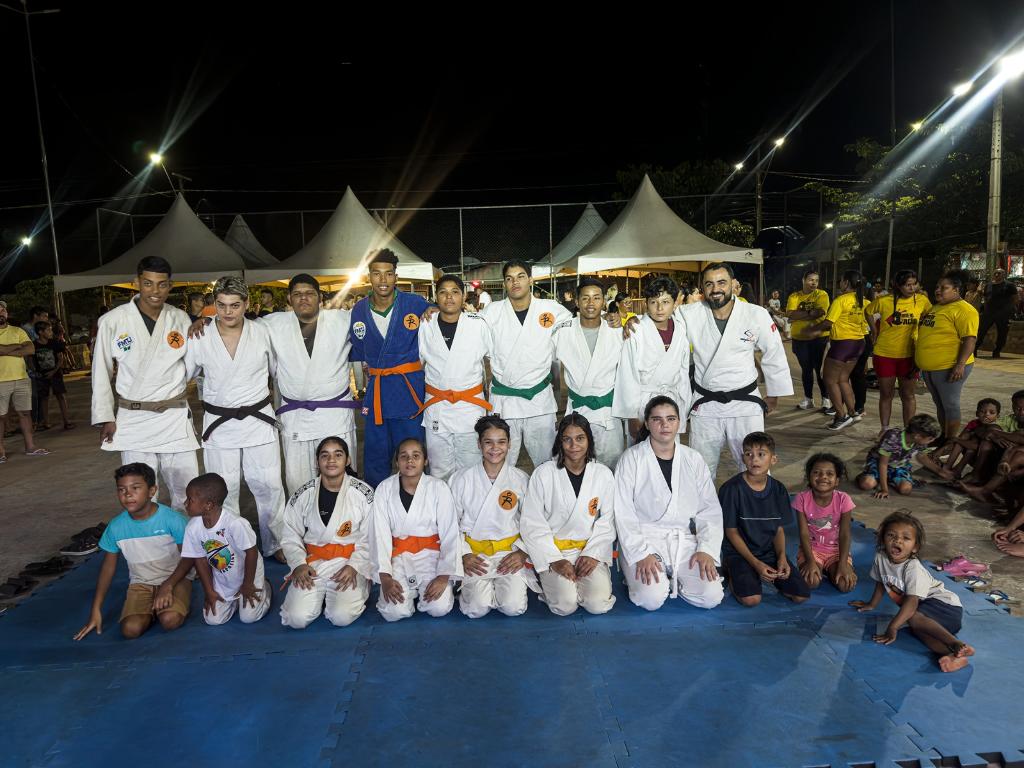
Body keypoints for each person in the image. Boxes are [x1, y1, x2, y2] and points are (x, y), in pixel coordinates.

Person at [184, 276, 285, 558]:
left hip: (258, 420)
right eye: (221, 305)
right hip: (219, 425)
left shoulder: (262, 332)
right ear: (213, 304)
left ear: (247, 304)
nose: (228, 312)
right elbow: (186, 374)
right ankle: (228, 545)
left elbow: (276, 371)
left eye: (235, 305)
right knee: (222, 490)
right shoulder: (200, 335)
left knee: (269, 485)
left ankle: (275, 542)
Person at [92, 256, 198, 509]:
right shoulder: (113, 321)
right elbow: (101, 371)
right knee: (139, 493)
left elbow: (191, 365)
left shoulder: (180, 318)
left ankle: (187, 546)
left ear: (170, 286)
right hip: (133, 416)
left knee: (187, 490)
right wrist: (106, 416)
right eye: (148, 283)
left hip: (173, 415)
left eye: (162, 285)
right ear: (136, 282)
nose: (155, 291)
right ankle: (150, 547)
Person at [248, 273, 360, 495]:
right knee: (298, 483)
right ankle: (303, 528)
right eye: (297, 294)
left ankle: (345, 526)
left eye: (309, 294)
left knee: (342, 481)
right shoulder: (272, 324)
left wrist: (428, 312)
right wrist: (207, 322)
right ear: (289, 298)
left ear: (320, 297)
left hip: (335, 415)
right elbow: (238, 325)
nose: (303, 299)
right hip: (296, 417)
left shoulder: (343, 319)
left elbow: (376, 315)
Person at [678, 263, 792, 480]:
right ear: (702, 287)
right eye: (709, 284)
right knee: (700, 470)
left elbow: (774, 352)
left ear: (734, 285)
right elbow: (660, 324)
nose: (716, 289)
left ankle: (754, 511)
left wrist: (774, 393)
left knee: (754, 466)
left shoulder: (755, 314)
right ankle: (701, 514)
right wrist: (629, 322)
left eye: (722, 282)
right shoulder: (688, 314)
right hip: (706, 402)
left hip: (745, 404)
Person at [613, 396, 724, 611]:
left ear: (679, 422)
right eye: (657, 419)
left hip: (683, 539)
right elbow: (622, 511)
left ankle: (676, 579)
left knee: (711, 597)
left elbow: (709, 509)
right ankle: (642, 574)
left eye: (671, 419)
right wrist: (640, 553)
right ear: (647, 423)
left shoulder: (693, 459)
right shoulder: (632, 458)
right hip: (644, 540)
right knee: (650, 600)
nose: (665, 425)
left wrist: (707, 549)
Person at [74, 463, 190, 641]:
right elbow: (107, 569)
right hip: (140, 583)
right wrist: (96, 609)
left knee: (170, 620)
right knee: (130, 630)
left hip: (175, 578)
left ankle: (163, 607)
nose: (127, 494)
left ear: (152, 491)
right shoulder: (116, 527)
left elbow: (189, 558)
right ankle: (151, 609)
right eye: (121, 490)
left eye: (135, 488)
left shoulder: (173, 520)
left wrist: (167, 586)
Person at [850, 510, 974, 673]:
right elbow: (881, 581)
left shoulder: (912, 568)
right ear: (882, 539)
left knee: (913, 618)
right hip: (927, 618)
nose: (897, 541)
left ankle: (954, 643)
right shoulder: (881, 557)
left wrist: (893, 627)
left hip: (946, 607)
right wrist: (872, 604)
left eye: (905, 538)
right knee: (916, 629)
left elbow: (912, 602)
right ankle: (954, 655)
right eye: (891, 535)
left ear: (915, 547)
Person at [478, 260, 572, 468]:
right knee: (500, 464)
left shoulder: (551, 309)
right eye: (509, 279)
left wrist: (614, 321)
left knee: (548, 463)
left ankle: (547, 501)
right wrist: (432, 313)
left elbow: (575, 327)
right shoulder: (491, 313)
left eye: (520, 276)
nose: (515, 282)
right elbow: (465, 327)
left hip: (538, 400)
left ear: (530, 280)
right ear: (504, 284)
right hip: (504, 402)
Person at [520, 413, 616, 616]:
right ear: (559, 442)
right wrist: (554, 559)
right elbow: (532, 522)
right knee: (564, 606)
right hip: (554, 551)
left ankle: (581, 584)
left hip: (587, 550)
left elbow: (608, 520)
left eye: (580, 438)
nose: (574, 445)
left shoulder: (603, 474)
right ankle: (553, 583)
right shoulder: (544, 473)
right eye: (567, 439)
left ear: (589, 440)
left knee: (597, 605)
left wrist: (593, 553)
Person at [350, 248, 430, 488]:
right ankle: (378, 508)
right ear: (369, 277)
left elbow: (438, 316)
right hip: (377, 392)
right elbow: (358, 350)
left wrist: (432, 309)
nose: (382, 280)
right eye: (377, 274)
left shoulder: (415, 303)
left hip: (409, 391)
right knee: (375, 455)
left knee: (413, 453)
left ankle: (420, 505)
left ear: (396, 276)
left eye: (388, 274)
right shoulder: (359, 310)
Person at [278, 437, 375, 629]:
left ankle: (361, 585)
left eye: (338, 455)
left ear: (347, 460)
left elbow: (372, 536)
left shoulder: (363, 493)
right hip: (313, 563)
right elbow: (290, 534)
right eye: (325, 455)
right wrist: (298, 564)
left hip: (349, 562)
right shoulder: (304, 494)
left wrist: (356, 566)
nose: (331, 460)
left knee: (341, 617)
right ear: (317, 462)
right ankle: (320, 594)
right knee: (295, 619)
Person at [155, 473, 271, 625]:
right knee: (213, 620)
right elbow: (200, 559)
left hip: (249, 573)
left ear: (208, 505)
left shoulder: (235, 523)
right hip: (223, 577)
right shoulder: (193, 528)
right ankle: (234, 599)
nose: (185, 503)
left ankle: (266, 588)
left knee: (248, 618)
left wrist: (248, 584)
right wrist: (209, 591)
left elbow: (251, 552)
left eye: (190, 499)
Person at [369, 438, 462, 621]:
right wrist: (386, 578)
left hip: (432, 558)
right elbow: (379, 535)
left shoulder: (438, 488)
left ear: (425, 461)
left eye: (416, 456)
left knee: (439, 608)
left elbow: (450, 533)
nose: (409, 461)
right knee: (394, 613)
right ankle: (405, 596)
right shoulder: (384, 489)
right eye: (404, 457)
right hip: (398, 558)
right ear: (397, 462)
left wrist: (444, 576)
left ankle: (428, 591)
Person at [449, 416, 532, 619]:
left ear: (509, 444)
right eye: (488, 442)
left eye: (501, 442)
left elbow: (532, 523)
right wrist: (463, 555)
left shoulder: (520, 479)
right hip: (475, 555)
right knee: (476, 609)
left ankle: (504, 587)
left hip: (509, 554)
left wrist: (522, 553)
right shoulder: (460, 479)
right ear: (479, 444)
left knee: (513, 608)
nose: (495, 448)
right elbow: (450, 524)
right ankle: (477, 589)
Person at [417, 275, 493, 482]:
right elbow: (417, 361)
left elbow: (495, 358)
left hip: (469, 407)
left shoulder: (478, 325)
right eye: (443, 292)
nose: (449, 297)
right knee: (439, 469)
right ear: (435, 297)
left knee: (472, 468)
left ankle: (470, 512)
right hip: (437, 407)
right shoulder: (425, 324)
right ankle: (443, 512)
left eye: (455, 292)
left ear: (463, 297)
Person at [720, 432, 809, 607]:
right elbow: (730, 531)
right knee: (752, 600)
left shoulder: (778, 489)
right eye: (749, 454)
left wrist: (782, 557)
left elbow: (778, 529)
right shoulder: (731, 489)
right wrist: (755, 564)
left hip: (768, 552)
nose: (755, 459)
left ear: (773, 459)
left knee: (801, 595)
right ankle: (731, 568)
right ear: (743, 458)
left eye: (761, 454)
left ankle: (764, 575)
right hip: (739, 553)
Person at [553, 278, 625, 469]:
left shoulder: (617, 331)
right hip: (577, 410)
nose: (591, 304)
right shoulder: (563, 331)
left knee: (611, 466)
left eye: (596, 298)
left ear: (604, 301)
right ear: (577, 302)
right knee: (576, 465)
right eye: (585, 298)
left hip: (608, 413)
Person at [612, 277, 691, 443]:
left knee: (669, 452)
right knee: (642, 455)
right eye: (654, 302)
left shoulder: (681, 330)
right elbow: (627, 375)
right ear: (646, 303)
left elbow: (683, 374)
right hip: (643, 404)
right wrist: (631, 415)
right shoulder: (636, 329)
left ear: (675, 303)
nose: (660, 308)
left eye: (665, 301)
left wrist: (683, 410)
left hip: (671, 402)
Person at [915, 270, 979, 439]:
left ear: (956, 290)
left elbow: (970, 340)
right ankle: (943, 437)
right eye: (937, 287)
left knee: (950, 405)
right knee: (940, 404)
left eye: (944, 288)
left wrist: (959, 365)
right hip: (930, 367)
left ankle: (951, 442)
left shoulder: (965, 310)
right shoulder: (937, 307)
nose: (938, 290)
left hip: (949, 366)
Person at [867, 270, 931, 433]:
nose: (912, 288)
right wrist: (874, 331)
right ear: (898, 286)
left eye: (914, 283)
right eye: (907, 285)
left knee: (908, 395)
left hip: (909, 356)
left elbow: (930, 317)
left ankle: (908, 430)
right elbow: (867, 311)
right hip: (884, 354)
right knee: (886, 394)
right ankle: (885, 429)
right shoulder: (885, 301)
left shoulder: (922, 300)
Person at [806, 270, 868, 431]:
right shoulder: (863, 301)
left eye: (841, 280)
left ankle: (841, 416)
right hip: (859, 343)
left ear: (846, 283)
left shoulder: (841, 300)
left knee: (829, 380)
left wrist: (812, 329)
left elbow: (828, 322)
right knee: (842, 379)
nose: (840, 283)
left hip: (843, 344)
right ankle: (853, 412)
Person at [794, 453, 857, 593]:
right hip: (812, 550)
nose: (823, 477)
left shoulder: (843, 499)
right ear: (809, 477)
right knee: (811, 582)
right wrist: (810, 562)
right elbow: (803, 534)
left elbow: (845, 534)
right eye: (817, 472)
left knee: (845, 585)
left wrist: (842, 564)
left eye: (829, 474)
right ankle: (819, 567)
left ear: (837, 480)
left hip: (835, 551)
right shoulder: (801, 499)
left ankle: (829, 569)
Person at [0, 300, 48, 460]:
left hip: (21, 378)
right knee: (1, 417)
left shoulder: (17, 331)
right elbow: (22, 349)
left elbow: (30, 349)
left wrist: (5, 350)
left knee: (25, 413)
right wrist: (17, 348)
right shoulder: (19, 335)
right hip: (1, 381)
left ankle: (30, 446)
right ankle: (0, 451)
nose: (1, 313)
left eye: (3, 310)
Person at [958, 390, 1024, 501]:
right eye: (1018, 408)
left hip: (1016, 461)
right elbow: (985, 429)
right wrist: (993, 435)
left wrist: (997, 434)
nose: (1022, 412)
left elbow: (1021, 438)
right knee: (983, 440)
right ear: (1013, 407)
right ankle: (977, 476)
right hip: (1005, 459)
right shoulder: (1010, 419)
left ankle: (986, 490)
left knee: (1017, 451)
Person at [856, 414, 943, 498]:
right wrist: (884, 489)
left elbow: (922, 456)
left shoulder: (920, 441)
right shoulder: (892, 437)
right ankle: (873, 476)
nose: (931, 441)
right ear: (917, 436)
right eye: (930, 439)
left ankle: (885, 479)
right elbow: (883, 464)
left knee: (905, 490)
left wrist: (940, 471)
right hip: (878, 463)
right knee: (866, 484)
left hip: (899, 466)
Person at [786, 270, 831, 410]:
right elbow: (789, 313)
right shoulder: (794, 296)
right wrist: (810, 313)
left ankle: (826, 399)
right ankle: (808, 399)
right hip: (799, 339)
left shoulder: (822, 294)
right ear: (803, 280)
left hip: (819, 338)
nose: (814, 283)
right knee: (806, 370)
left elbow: (820, 312)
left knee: (820, 370)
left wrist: (798, 316)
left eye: (816, 280)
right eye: (811, 280)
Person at [936, 398, 1001, 481]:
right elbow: (960, 438)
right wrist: (941, 449)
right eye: (982, 411)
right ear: (977, 413)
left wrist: (957, 440)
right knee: (965, 436)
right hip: (971, 453)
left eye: (991, 413)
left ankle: (957, 470)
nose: (986, 415)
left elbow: (977, 447)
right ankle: (948, 466)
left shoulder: (995, 429)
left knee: (969, 442)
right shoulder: (974, 423)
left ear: (997, 416)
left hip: (985, 461)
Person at [31, 320, 74, 431]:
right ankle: (46, 422)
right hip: (42, 375)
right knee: (44, 398)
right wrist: (34, 371)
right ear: (40, 332)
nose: (51, 332)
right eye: (48, 330)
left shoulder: (54, 343)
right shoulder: (34, 345)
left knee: (61, 396)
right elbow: (30, 359)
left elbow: (60, 359)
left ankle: (66, 420)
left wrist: (54, 371)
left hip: (55, 374)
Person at [976, 268, 1019, 359]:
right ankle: (974, 349)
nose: (996, 275)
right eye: (995, 273)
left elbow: (1015, 298)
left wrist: (1009, 310)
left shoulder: (1009, 285)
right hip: (989, 312)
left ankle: (997, 351)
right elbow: (986, 296)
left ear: (1003, 275)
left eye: (999, 273)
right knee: (981, 331)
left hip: (1003, 314)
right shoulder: (989, 285)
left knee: (1002, 333)